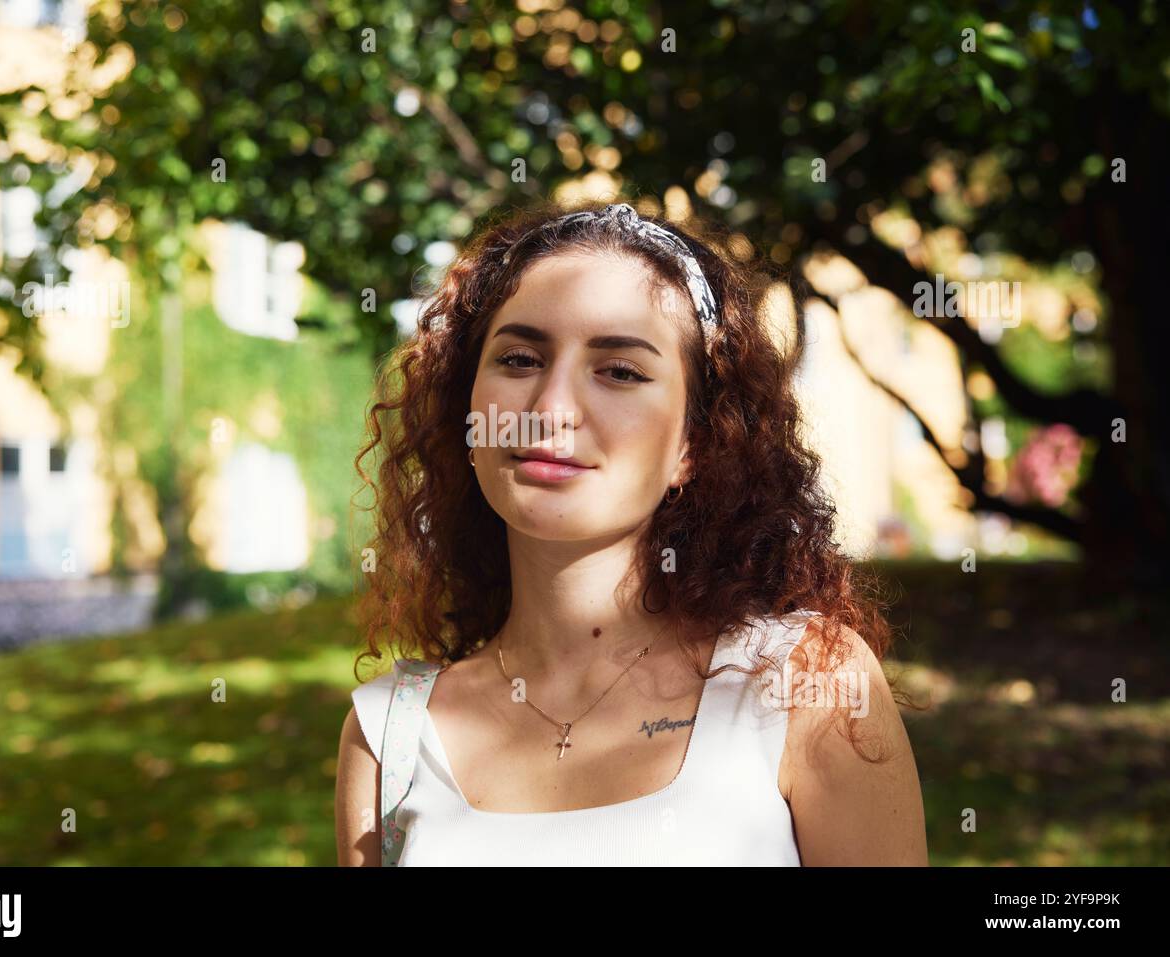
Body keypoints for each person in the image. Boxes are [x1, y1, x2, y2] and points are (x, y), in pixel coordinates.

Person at [334, 200, 927, 866]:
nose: (551, 409)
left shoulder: (805, 685)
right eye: (522, 358)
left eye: (620, 371)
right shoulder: (389, 736)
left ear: (692, 445)